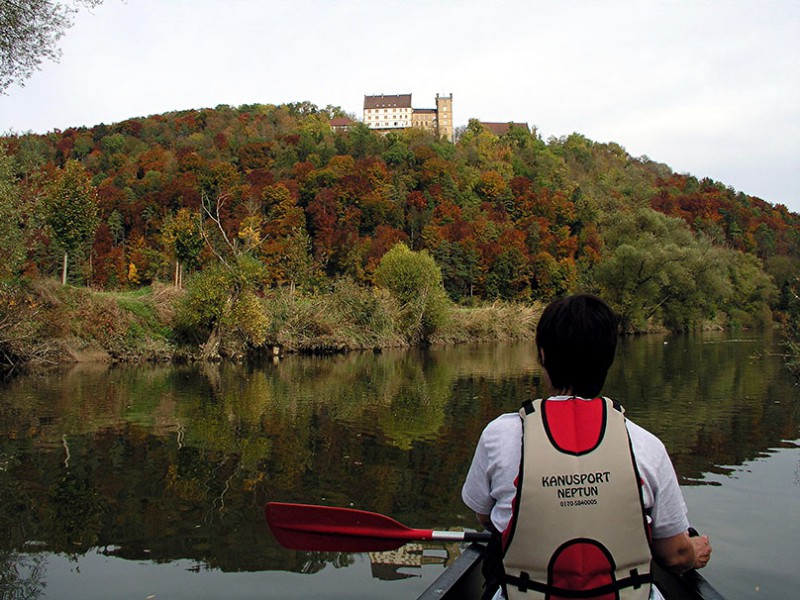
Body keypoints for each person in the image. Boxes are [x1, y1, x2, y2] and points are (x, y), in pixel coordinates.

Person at [461, 294, 711, 600]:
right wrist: (692, 553)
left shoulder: (498, 436)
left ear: (542, 355)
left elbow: (486, 518)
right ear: (608, 359)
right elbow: (673, 555)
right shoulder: (647, 446)